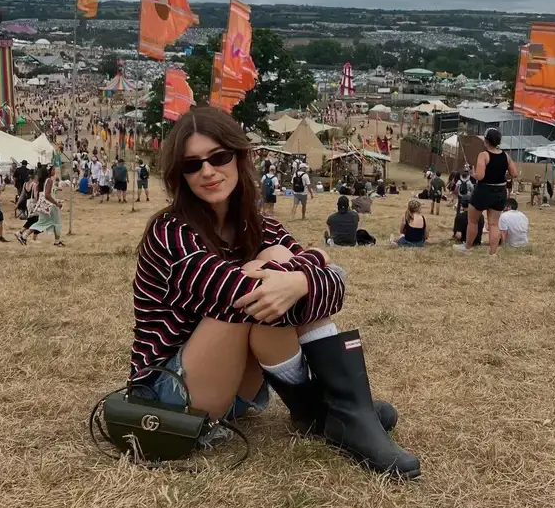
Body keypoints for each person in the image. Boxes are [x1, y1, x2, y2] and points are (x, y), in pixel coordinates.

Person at [129, 106, 420, 479]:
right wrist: (308, 266)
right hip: (172, 393)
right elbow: (240, 298)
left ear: (238, 157)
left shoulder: (257, 224)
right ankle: (335, 409)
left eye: (218, 157)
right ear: (179, 175)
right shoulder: (170, 233)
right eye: (192, 164)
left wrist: (299, 279)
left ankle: (335, 411)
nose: (207, 171)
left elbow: (336, 286)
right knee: (258, 294)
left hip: (233, 391)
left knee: (276, 265)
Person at [455, 128, 518, 255]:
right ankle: (493, 253)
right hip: (500, 191)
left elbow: (480, 176)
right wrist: (502, 177)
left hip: (484, 190)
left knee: (472, 221)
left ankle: (467, 248)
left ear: (486, 140)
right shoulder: (506, 156)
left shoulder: (483, 155)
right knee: (494, 224)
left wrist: (473, 173)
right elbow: (514, 173)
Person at [28, 166, 65, 247]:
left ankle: (24, 235)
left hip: (47, 205)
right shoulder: (49, 181)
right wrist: (56, 203)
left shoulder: (45, 181)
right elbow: (47, 195)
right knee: (56, 223)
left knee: (43, 222)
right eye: (53, 169)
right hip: (50, 205)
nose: (55, 171)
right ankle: (57, 241)